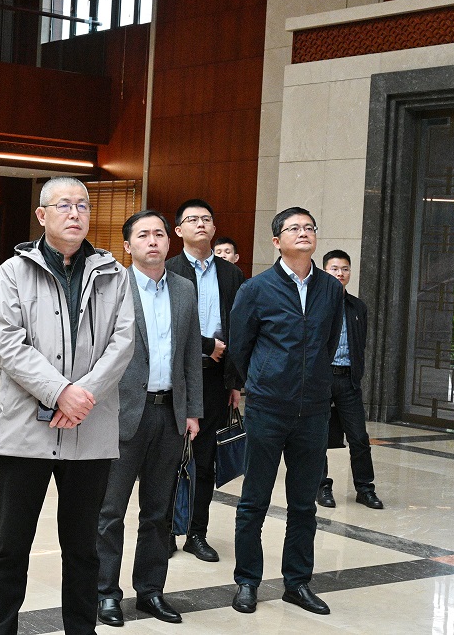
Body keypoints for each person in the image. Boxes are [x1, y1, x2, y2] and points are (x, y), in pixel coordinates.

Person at [0, 177, 135, 635]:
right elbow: (7, 343)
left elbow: (123, 342)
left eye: (83, 206)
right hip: (27, 431)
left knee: (83, 549)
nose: (75, 213)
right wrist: (59, 392)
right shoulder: (14, 271)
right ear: (42, 215)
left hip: (90, 430)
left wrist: (81, 395)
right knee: (11, 547)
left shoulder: (114, 273)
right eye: (64, 205)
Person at [229, 207, 343, 616]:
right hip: (268, 406)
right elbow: (239, 347)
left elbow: (329, 342)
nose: (303, 233)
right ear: (277, 241)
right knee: (254, 499)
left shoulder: (330, 288)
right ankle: (247, 581)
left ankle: (297, 582)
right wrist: (264, 380)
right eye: (294, 228)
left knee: (304, 503)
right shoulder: (256, 289)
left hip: (313, 409)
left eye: (309, 227)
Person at [96, 210, 202, 627]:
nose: (153, 241)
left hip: (169, 414)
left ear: (169, 241)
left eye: (159, 233)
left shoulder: (184, 289)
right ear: (128, 246)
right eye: (143, 235)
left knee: (158, 513)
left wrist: (193, 410)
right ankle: (105, 593)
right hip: (121, 415)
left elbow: (190, 353)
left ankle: (151, 591)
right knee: (109, 513)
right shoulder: (112, 287)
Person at [165, 199, 244, 563]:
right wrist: (206, 345)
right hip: (175, 376)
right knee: (169, 457)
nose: (201, 224)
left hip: (215, 378)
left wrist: (235, 382)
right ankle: (166, 529)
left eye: (206, 219)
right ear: (179, 230)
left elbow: (239, 328)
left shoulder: (231, 274)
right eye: (192, 219)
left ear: (214, 228)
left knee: (206, 458)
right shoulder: (168, 270)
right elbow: (165, 325)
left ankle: (197, 532)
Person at [316, 250, 383, 510]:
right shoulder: (316, 303)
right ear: (324, 272)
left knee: (359, 438)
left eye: (345, 269)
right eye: (334, 269)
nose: (340, 273)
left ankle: (365, 489)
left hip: (348, 380)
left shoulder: (358, 307)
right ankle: (321, 486)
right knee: (318, 436)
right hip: (321, 379)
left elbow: (360, 343)